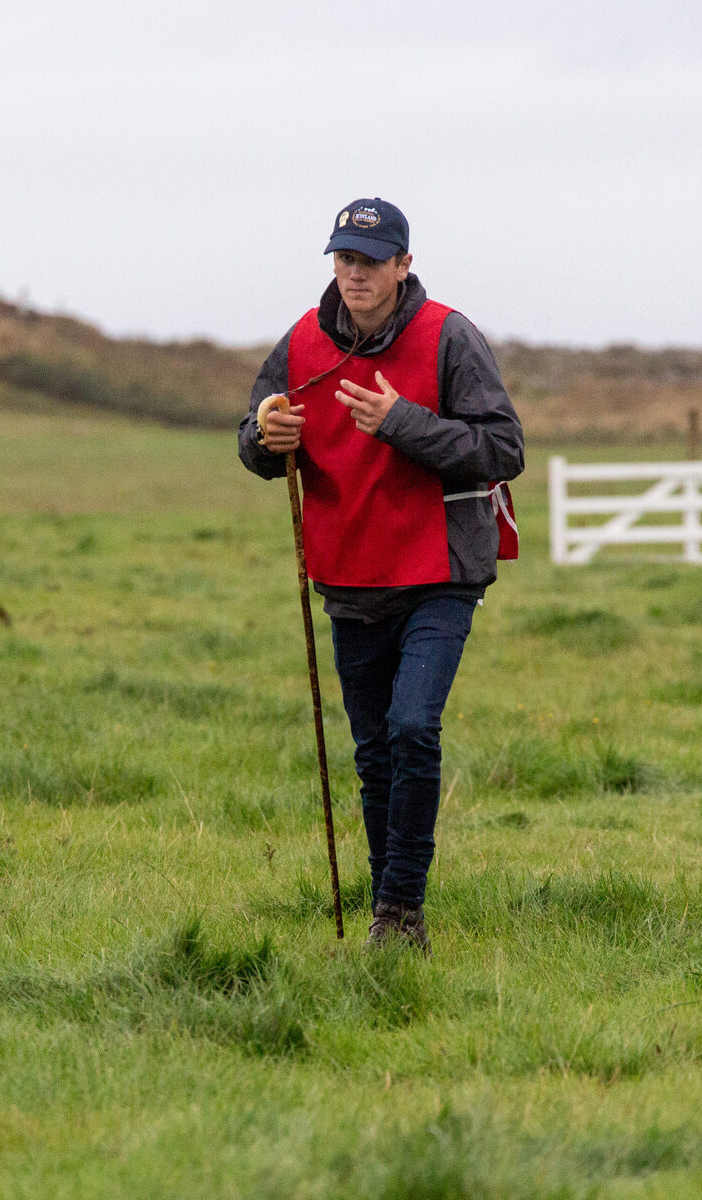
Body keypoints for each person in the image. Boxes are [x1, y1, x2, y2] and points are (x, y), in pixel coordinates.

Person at [238, 197, 524, 952]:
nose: (354, 273)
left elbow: (504, 450)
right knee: (372, 754)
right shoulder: (302, 340)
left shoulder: (450, 338)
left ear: (403, 264)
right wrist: (267, 437)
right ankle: (388, 918)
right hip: (349, 575)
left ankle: (401, 911)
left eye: (370, 260)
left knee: (411, 729)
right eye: (344, 259)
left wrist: (401, 422)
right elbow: (254, 434)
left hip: (441, 571)